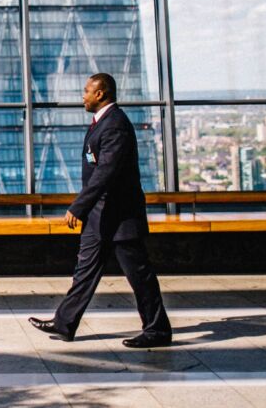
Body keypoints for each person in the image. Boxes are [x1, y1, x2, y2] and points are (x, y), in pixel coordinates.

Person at [29, 73, 172, 348]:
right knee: (84, 271)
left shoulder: (115, 125)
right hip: (100, 217)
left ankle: (158, 330)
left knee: (139, 276)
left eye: (86, 91)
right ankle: (64, 322)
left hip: (119, 217)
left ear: (101, 93)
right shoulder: (102, 123)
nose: (82, 96)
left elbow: (105, 172)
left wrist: (78, 207)